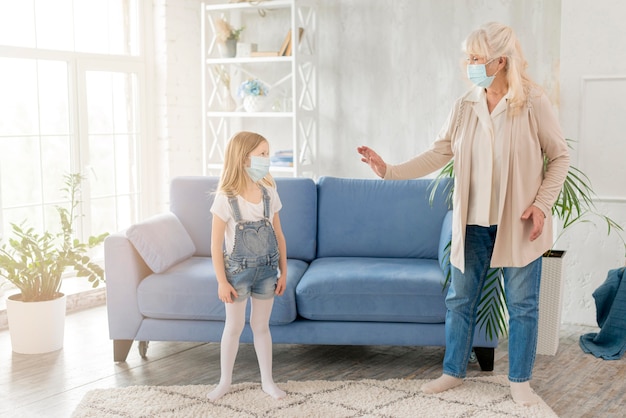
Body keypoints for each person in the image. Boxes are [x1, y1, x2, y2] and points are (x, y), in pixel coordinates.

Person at [357, 22, 570, 406]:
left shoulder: (533, 102)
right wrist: (389, 169)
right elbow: (439, 152)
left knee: (522, 305)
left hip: (518, 223)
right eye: (468, 56)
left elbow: (560, 156)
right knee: (460, 299)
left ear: (500, 61)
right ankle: (452, 371)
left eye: (475, 58)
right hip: (471, 222)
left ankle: (519, 380)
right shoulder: (465, 105)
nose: (467, 64)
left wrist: (541, 205)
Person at [208, 131, 287, 401]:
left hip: (267, 272)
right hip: (237, 274)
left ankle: (267, 381)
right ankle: (224, 382)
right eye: (262, 154)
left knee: (261, 326)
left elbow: (279, 236)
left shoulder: (269, 193)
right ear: (243, 159)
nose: (267, 159)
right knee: (233, 327)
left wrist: (283, 271)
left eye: (267, 154)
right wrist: (221, 280)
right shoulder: (225, 199)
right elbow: (215, 246)